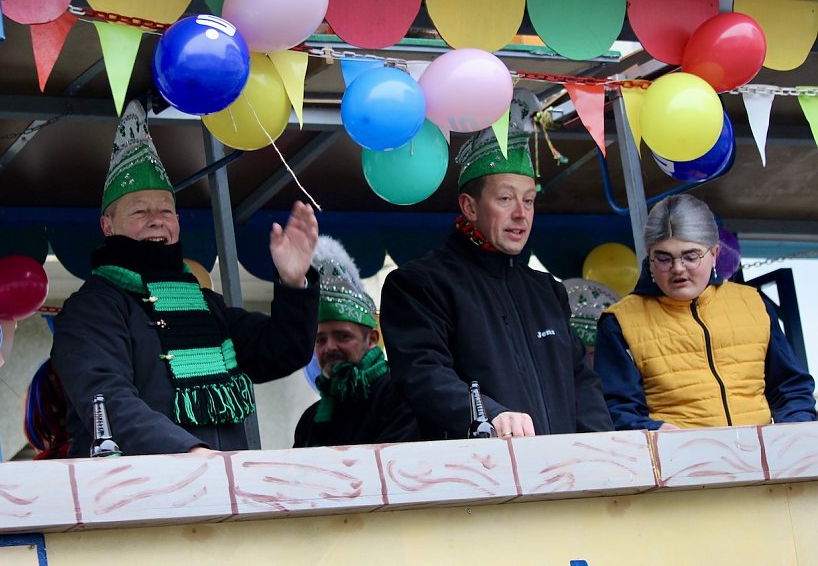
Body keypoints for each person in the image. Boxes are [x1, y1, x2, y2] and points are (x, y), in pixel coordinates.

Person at [51, 100, 320, 456]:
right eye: (140, 210)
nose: (157, 219)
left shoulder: (205, 304)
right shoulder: (92, 308)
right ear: (107, 225)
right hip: (136, 498)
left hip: (219, 487)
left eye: (166, 209)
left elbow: (282, 350)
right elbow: (107, 398)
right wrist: (189, 452)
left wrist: (293, 282)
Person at [380, 90, 613, 440]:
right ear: (469, 207)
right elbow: (422, 374)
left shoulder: (547, 291)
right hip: (477, 480)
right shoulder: (420, 284)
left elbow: (581, 380)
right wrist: (491, 415)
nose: (521, 214)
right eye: (505, 199)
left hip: (562, 478)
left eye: (529, 200)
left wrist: (600, 446)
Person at [594, 194, 816, 431]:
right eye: (663, 258)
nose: (678, 269)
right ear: (649, 256)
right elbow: (616, 409)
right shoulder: (619, 321)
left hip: (763, 461)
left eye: (690, 256)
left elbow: (791, 388)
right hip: (675, 463)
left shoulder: (753, 303)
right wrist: (656, 431)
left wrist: (794, 431)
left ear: (715, 254)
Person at [294, 237, 420, 447]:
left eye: (343, 336)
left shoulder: (401, 396)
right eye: (320, 339)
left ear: (372, 340)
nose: (329, 347)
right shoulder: (311, 419)